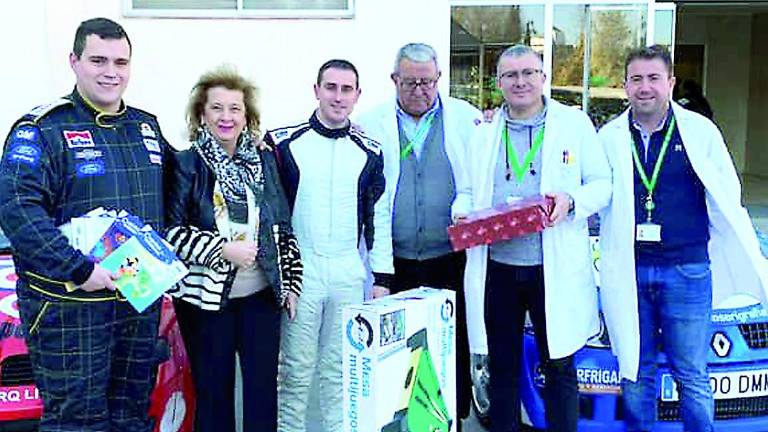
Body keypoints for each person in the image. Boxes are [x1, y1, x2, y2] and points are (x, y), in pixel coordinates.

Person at [0, 18, 170, 431]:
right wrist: (81, 269)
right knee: (77, 422)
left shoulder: (145, 127)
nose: (110, 71)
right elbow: (18, 210)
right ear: (74, 62)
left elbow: (185, 190)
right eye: (98, 60)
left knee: (132, 417)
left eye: (120, 62)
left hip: (136, 301)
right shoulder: (42, 129)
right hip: (70, 308)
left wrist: (241, 143)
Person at [598, 45, 768, 432]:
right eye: (636, 79)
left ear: (670, 82)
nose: (645, 88)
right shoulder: (608, 137)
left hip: (687, 270)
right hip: (631, 269)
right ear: (624, 85)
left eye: (654, 78)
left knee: (690, 370)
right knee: (635, 368)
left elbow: (727, 192)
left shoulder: (699, 131)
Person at [453, 44, 612, 432]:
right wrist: (461, 212)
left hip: (551, 269)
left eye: (528, 73)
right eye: (510, 75)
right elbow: (467, 192)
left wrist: (571, 200)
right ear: (499, 82)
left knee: (559, 367)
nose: (520, 82)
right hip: (499, 269)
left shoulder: (574, 125)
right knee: (502, 367)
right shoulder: (485, 131)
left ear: (543, 77)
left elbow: (602, 184)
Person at [164, 66, 302, 432]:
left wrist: (291, 284)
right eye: (217, 108)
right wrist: (221, 249)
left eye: (235, 109)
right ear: (201, 114)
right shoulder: (186, 164)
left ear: (247, 116)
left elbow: (282, 226)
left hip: (261, 297)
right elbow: (170, 234)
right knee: (213, 396)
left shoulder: (263, 160)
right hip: (206, 305)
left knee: (262, 396)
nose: (226, 117)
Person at [356, 42, 482, 429]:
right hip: (394, 261)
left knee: (452, 347)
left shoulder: (468, 118)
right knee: (398, 352)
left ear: (439, 78)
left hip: (451, 257)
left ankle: (452, 421)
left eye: (427, 82)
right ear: (394, 80)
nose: (419, 90)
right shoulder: (370, 123)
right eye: (409, 82)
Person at [265, 59, 394, 432]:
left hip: (347, 272)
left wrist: (381, 277)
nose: (338, 97)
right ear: (316, 90)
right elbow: (271, 214)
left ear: (358, 95)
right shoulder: (283, 142)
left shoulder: (370, 150)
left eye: (346, 89)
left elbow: (378, 218)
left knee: (342, 371)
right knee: (294, 371)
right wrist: (282, 276)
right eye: (331, 87)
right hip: (301, 272)